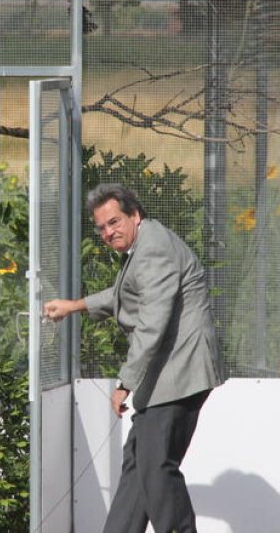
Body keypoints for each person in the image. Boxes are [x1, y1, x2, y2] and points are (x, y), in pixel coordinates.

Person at [45, 183, 222, 533]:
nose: (109, 232)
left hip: (180, 373)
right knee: (138, 466)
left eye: (114, 222)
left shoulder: (154, 249)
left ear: (135, 215)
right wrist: (75, 306)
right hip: (168, 373)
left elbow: (152, 322)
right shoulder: (144, 246)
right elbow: (124, 294)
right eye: (101, 228)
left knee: (156, 468)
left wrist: (125, 382)